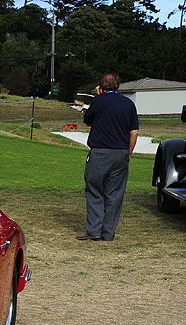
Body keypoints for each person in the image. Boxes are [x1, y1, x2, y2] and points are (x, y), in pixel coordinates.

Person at [78, 73, 139, 241]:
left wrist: (98, 99)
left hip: (100, 153)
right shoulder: (129, 104)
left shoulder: (99, 101)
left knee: (94, 190)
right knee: (115, 194)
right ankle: (108, 233)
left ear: (101, 88)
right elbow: (134, 131)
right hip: (120, 153)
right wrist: (129, 152)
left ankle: (94, 230)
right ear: (118, 87)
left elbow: (88, 121)